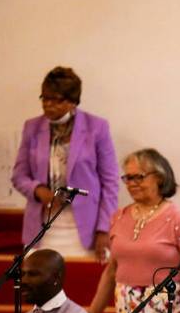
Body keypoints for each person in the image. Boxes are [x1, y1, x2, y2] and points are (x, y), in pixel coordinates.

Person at [89, 149, 180, 313]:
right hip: (126, 310)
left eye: (138, 176)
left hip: (163, 311)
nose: (131, 183)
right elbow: (111, 270)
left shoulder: (178, 219)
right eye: (127, 177)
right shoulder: (119, 217)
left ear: (159, 177)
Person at [11, 66, 119, 261]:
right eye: (44, 98)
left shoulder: (97, 128)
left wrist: (104, 229)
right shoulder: (32, 127)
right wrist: (38, 190)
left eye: (56, 99)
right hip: (42, 226)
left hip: (85, 228)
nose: (48, 105)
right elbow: (19, 176)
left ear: (72, 102)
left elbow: (110, 183)